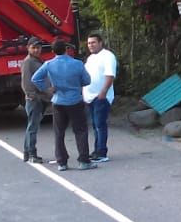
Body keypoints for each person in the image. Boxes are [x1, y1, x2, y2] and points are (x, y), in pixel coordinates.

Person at [31, 39, 94, 171]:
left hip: (58, 101)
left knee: (59, 133)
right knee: (80, 131)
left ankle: (62, 163)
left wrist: (47, 88)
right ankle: (84, 161)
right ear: (66, 49)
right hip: (75, 101)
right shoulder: (77, 64)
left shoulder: (49, 64)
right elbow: (87, 80)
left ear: (53, 51)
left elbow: (35, 78)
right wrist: (76, 84)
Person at [83, 33, 117, 163]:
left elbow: (110, 75)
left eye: (93, 42)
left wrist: (103, 92)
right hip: (89, 97)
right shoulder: (90, 58)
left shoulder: (108, 56)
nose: (91, 45)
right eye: (89, 43)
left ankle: (102, 152)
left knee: (100, 124)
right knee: (95, 125)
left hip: (101, 97)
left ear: (100, 43)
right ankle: (97, 150)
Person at [20, 37, 50, 163]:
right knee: (33, 127)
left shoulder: (37, 60)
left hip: (40, 98)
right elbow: (26, 82)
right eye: (34, 48)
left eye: (38, 47)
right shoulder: (28, 62)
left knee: (32, 126)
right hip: (34, 99)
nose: (37, 50)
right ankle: (31, 154)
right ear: (28, 48)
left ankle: (28, 153)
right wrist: (33, 96)